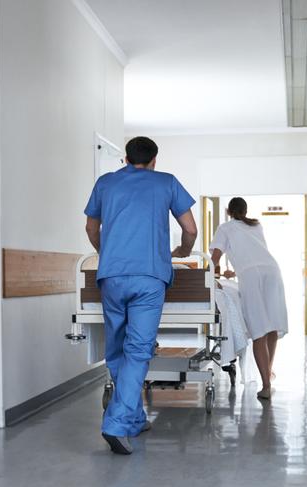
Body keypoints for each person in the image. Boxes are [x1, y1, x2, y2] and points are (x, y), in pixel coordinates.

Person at [84, 136, 197, 455]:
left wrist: (108, 253)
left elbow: (92, 228)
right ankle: (116, 423)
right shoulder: (166, 183)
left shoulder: (105, 183)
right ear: (154, 160)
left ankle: (133, 417)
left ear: (124, 159)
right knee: (138, 349)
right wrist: (182, 252)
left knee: (117, 348)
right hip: (149, 277)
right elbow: (190, 229)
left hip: (112, 277)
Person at [209, 197, 288, 400]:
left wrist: (210, 277)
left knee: (258, 329)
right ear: (245, 210)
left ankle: (266, 385)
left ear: (228, 211)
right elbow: (257, 259)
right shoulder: (256, 225)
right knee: (271, 326)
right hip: (272, 271)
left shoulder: (225, 228)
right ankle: (267, 376)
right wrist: (234, 274)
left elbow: (215, 258)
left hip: (252, 276)